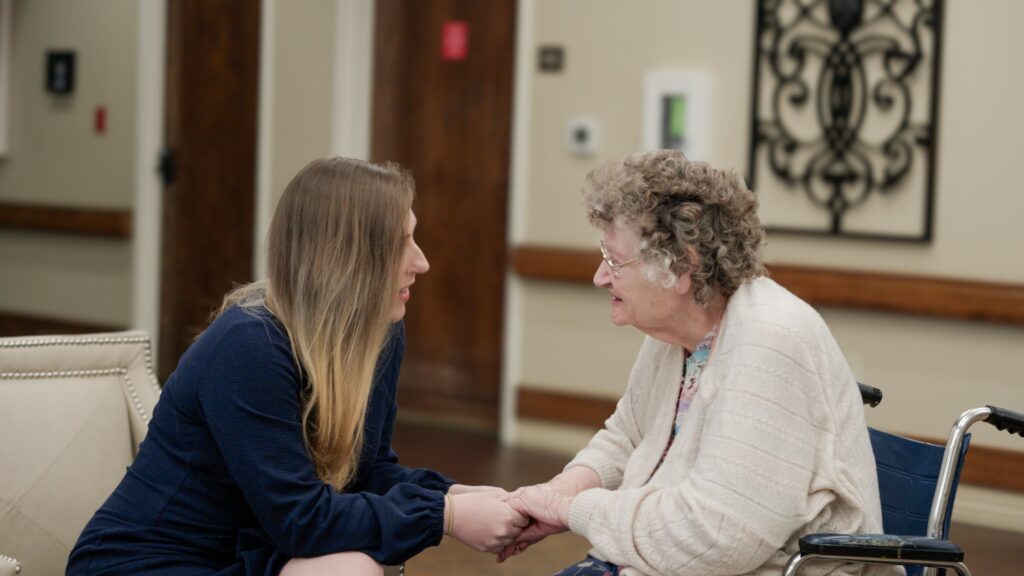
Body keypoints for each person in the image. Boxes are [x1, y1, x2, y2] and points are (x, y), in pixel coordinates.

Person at [67, 157, 527, 576]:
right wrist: (444, 517)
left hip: (252, 553)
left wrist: (460, 496)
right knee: (350, 569)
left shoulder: (379, 332)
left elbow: (366, 474)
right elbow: (301, 521)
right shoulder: (248, 345)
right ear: (346, 258)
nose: (421, 262)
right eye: (401, 243)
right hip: (146, 564)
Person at [499, 150, 895, 576]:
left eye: (616, 260)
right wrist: (555, 492)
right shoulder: (676, 333)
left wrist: (569, 508)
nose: (600, 275)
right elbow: (629, 437)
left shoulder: (770, 342)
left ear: (683, 266)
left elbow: (715, 538)